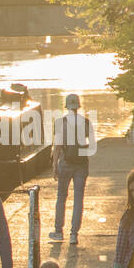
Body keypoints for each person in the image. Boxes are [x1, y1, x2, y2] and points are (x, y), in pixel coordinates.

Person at [49, 93, 95, 245]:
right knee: (78, 199)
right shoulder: (87, 123)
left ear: (67, 106)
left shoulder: (60, 123)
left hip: (65, 163)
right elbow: (91, 145)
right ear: (78, 106)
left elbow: (57, 147)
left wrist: (54, 165)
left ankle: (58, 231)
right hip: (81, 165)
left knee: (61, 197)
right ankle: (74, 234)